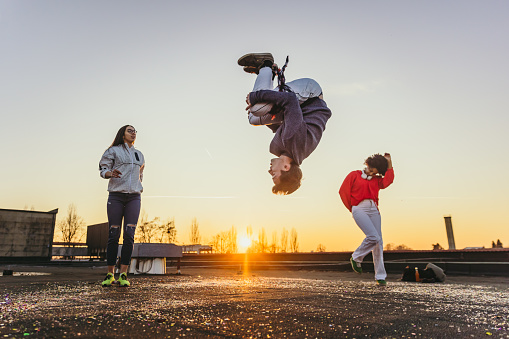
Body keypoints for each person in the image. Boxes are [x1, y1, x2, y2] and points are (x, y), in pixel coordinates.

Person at [238, 53, 332, 195]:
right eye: (274, 175)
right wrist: (254, 96)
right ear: (286, 167)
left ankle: (264, 74)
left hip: (300, 105)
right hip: (310, 95)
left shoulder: (286, 149)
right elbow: (290, 100)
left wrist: (265, 117)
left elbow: (280, 124)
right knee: (257, 107)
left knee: (254, 117)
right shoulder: (293, 140)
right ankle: (266, 65)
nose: (269, 171)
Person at [99, 125, 145, 287]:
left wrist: (137, 187)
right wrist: (109, 173)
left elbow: (140, 175)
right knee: (114, 234)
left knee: (129, 234)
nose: (133, 133)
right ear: (122, 134)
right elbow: (102, 169)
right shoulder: (113, 151)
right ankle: (110, 274)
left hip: (134, 197)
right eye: (129, 131)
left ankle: (123, 274)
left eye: (135, 131)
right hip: (116, 196)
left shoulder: (139, 155)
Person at [338, 153, 394, 286]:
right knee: (373, 237)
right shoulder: (354, 175)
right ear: (369, 164)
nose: (373, 172)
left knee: (379, 243)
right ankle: (356, 257)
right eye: (372, 168)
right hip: (359, 208)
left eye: (376, 171)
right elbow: (343, 192)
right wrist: (352, 208)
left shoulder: (377, 180)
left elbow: (389, 180)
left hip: (373, 209)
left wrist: (389, 163)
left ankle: (380, 276)